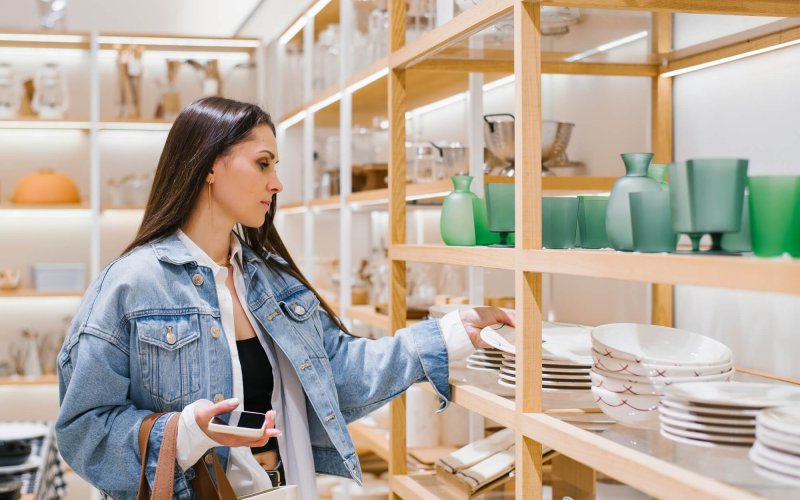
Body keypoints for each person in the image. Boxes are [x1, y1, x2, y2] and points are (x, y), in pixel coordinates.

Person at [55, 97, 514, 499]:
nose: (277, 184)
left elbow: (341, 374)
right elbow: (83, 431)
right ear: (211, 164)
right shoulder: (131, 285)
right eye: (263, 163)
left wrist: (449, 334)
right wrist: (186, 434)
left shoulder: (271, 280)